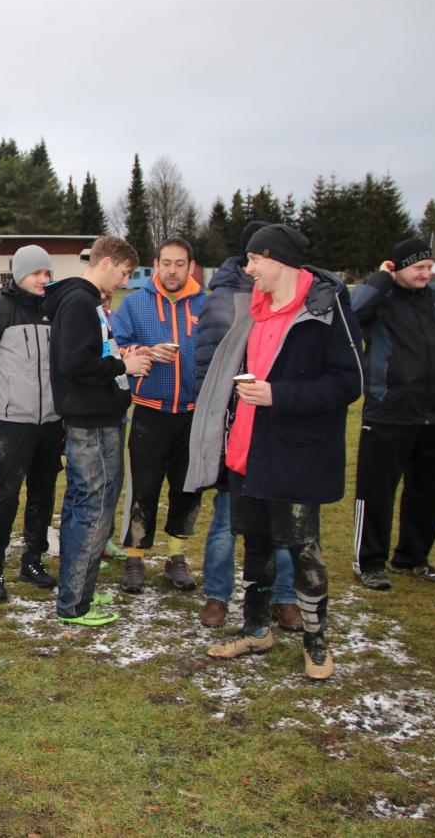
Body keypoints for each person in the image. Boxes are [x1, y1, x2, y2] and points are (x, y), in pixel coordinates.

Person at [192, 224, 362, 680]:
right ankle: (255, 629)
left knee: (303, 548)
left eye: (254, 260)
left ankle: (316, 643)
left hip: (296, 455)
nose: (247, 269)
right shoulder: (253, 308)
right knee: (256, 543)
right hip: (248, 450)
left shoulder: (325, 311)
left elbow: (349, 383)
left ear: (279, 260)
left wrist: (278, 395)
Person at [350, 237, 435, 589]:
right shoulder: (379, 297)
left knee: (429, 492)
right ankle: (369, 562)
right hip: (389, 412)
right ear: (395, 267)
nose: (425, 273)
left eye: (428, 267)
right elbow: (351, 313)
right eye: (417, 267)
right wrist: (380, 279)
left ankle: (412, 557)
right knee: (376, 492)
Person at [190, 222, 301, 631]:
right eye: (252, 257)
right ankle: (217, 595)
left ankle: (284, 598)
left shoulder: (292, 300)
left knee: (283, 522)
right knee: (226, 518)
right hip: (233, 430)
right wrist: (212, 421)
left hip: (278, 428)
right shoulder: (222, 301)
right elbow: (206, 367)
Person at [44, 235, 151, 627]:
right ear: (106, 262)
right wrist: (124, 367)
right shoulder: (79, 302)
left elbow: (91, 354)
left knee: (84, 508)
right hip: (91, 423)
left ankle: (78, 590)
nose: (124, 281)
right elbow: (75, 363)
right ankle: (74, 602)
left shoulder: (87, 301)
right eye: (124, 272)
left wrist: (122, 357)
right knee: (92, 512)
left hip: (98, 417)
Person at [0, 245, 62, 601]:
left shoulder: (55, 311)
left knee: (43, 495)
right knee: (6, 496)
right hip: (12, 422)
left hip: (51, 422)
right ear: (20, 274)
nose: (43, 279)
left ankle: (32, 560)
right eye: (36, 273)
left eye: (47, 273)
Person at [110, 237, 206, 594]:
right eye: (166, 263)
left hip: (192, 414)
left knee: (187, 488)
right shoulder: (135, 303)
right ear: (156, 264)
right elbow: (116, 346)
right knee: (143, 489)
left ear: (190, 267)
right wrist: (146, 352)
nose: (172, 270)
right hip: (150, 412)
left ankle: (176, 557)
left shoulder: (207, 304)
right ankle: (135, 557)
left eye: (180, 263)